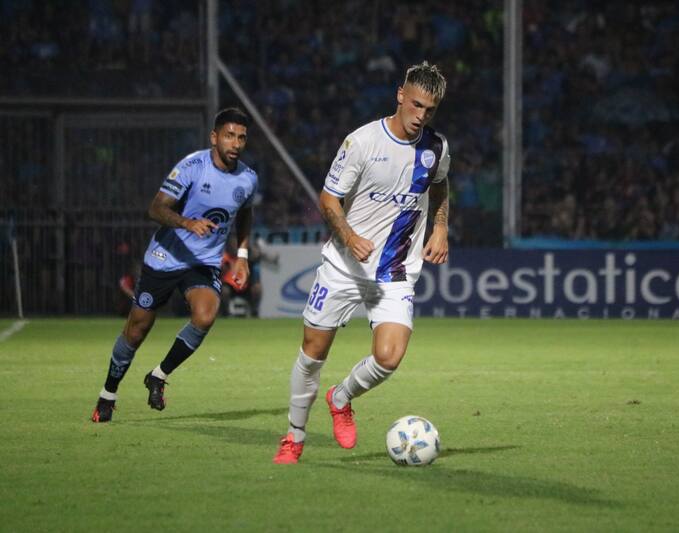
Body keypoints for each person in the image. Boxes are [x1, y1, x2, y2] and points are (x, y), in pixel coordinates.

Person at [273, 62, 451, 463]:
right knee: (312, 353)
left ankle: (341, 397)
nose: (421, 116)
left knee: (389, 356)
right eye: (416, 105)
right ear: (400, 95)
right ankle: (294, 437)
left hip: (394, 270)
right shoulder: (361, 142)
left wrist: (440, 229)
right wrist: (350, 237)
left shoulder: (436, 147)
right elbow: (328, 199)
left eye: (430, 110)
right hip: (344, 266)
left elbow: (440, 187)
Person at [91, 107, 258, 423]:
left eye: (241, 137)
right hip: (166, 258)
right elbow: (155, 209)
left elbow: (246, 213)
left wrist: (242, 256)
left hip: (204, 262)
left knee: (206, 315)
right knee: (138, 328)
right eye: (229, 135)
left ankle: (159, 375)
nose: (235, 143)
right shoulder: (192, 167)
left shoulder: (248, 178)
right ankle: (108, 394)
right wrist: (186, 222)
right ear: (214, 137)